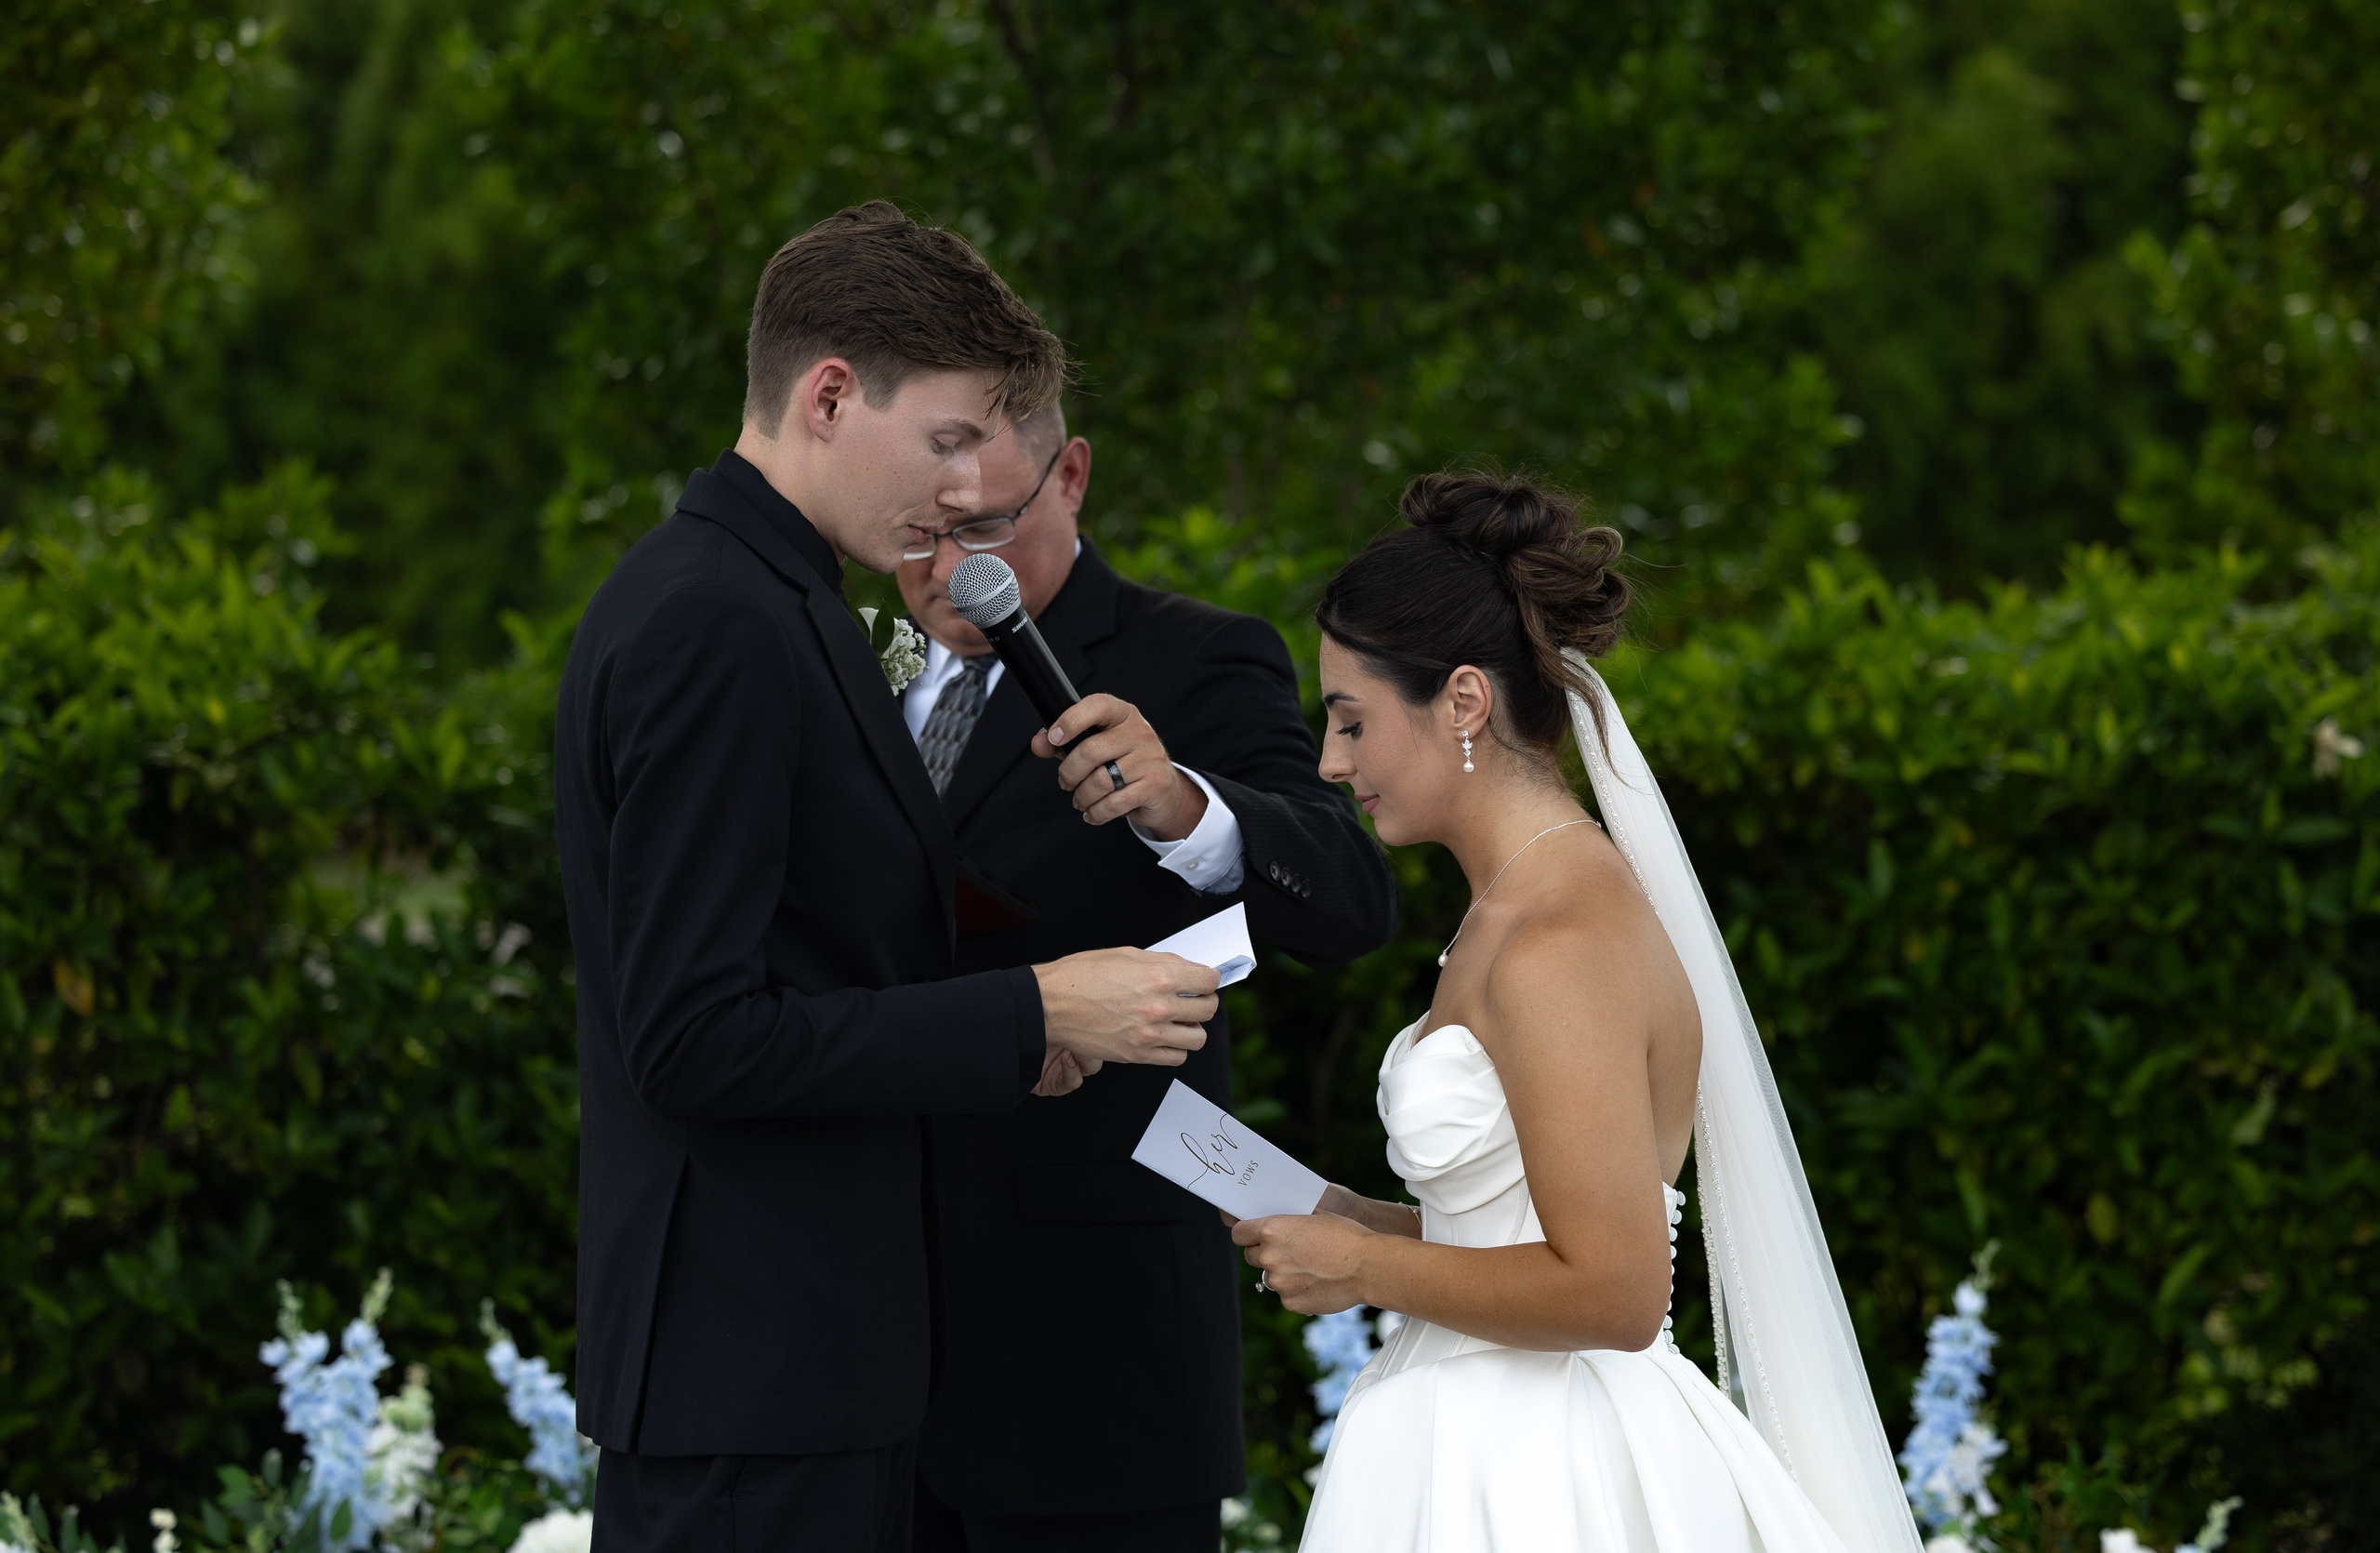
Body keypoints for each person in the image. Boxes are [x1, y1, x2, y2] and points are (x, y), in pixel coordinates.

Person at [552, 203, 1226, 1553]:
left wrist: (993, 1043)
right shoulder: (715, 620)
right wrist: (1033, 1013)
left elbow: (810, 963)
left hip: (802, 1367)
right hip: (756, 1378)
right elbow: (692, 1037)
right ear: (827, 393)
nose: (969, 488)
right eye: (946, 437)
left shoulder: (776, 593)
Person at [1230, 472, 1924, 1553]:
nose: (1331, 761)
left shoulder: (1561, 940)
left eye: (1352, 720)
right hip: (1465, 1433)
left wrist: (1363, 1272)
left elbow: (1614, 1286)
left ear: (1463, 700)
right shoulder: (1510, 911)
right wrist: (1363, 1221)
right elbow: (1521, 1229)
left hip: (1544, 1471)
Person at [891, 405, 1399, 1552]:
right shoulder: (841, 662)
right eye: (919, 534)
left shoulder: (1195, 653)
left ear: (1071, 475)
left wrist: (1187, 810)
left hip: (1089, 1342)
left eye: (988, 526)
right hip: (859, 1333)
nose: (950, 568)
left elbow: (1350, 898)